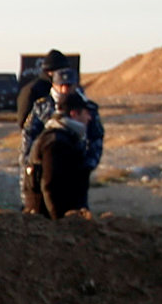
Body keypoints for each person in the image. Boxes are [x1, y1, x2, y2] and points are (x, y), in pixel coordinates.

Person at [22, 82, 95, 218]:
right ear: (74, 114)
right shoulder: (56, 143)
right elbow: (50, 187)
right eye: (86, 113)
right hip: (47, 223)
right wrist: (60, 224)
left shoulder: (65, 138)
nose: (89, 118)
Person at [19, 62, 103, 173]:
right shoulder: (42, 106)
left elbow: (96, 136)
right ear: (54, 85)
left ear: (75, 85)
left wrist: (88, 165)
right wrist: (29, 163)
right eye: (61, 85)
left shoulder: (86, 108)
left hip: (76, 167)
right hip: (45, 166)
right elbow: (29, 134)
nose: (64, 90)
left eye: (68, 86)